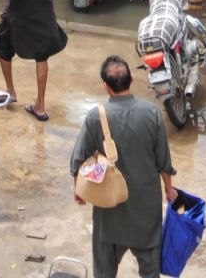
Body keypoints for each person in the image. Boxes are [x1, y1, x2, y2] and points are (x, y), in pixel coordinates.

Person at [69, 55, 178, 278]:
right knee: (150, 271)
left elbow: (78, 161)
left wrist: (78, 191)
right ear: (133, 79)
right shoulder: (152, 114)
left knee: (104, 270)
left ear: (106, 88)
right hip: (145, 210)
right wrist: (169, 189)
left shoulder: (95, 117)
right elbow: (163, 162)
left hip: (109, 209)